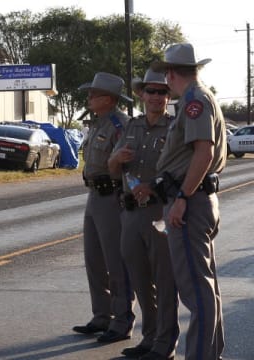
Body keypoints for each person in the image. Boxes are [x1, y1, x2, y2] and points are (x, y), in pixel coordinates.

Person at [151, 43, 226, 360]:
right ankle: (209, 353)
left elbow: (204, 152)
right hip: (195, 200)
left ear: (170, 74)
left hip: (190, 202)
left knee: (196, 290)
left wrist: (182, 197)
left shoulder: (194, 100)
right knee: (203, 286)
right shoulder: (196, 98)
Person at [108, 69, 179, 359]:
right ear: (141, 94)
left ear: (168, 96)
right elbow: (114, 169)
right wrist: (114, 159)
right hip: (131, 213)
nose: (156, 97)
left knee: (164, 280)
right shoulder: (131, 126)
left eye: (162, 91)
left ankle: (165, 344)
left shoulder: (175, 127)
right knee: (140, 279)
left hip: (160, 211)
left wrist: (154, 187)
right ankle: (149, 338)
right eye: (151, 91)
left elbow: (179, 170)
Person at [74, 72, 136, 343]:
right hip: (94, 196)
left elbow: (123, 166)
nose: (88, 98)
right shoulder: (98, 123)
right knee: (94, 261)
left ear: (108, 99)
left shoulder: (121, 125)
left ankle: (122, 321)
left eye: (93, 94)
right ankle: (101, 316)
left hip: (112, 197)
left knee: (115, 263)